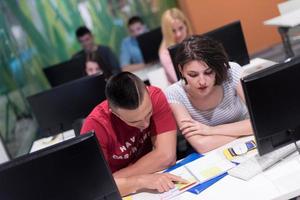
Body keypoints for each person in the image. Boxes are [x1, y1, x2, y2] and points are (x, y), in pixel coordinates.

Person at [81, 72, 185, 196]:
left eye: (149, 113)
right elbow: (97, 187)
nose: (146, 124)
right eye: (134, 121)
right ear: (114, 113)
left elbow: (166, 157)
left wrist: (115, 180)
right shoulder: (95, 126)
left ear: (147, 91)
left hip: (150, 182)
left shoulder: (155, 96)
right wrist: (139, 180)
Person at [165, 35, 253, 154]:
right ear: (181, 70)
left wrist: (211, 130)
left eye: (208, 72)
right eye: (193, 75)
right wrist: (244, 131)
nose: (202, 81)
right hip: (215, 155)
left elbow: (261, 120)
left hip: (251, 144)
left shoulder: (232, 72)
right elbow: (202, 145)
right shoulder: (174, 94)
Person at [159, 8, 193, 84]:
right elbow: (181, 81)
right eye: (173, 31)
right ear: (167, 32)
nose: (178, 34)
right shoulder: (165, 54)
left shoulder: (193, 41)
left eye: (181, 28)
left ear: (186, 26)